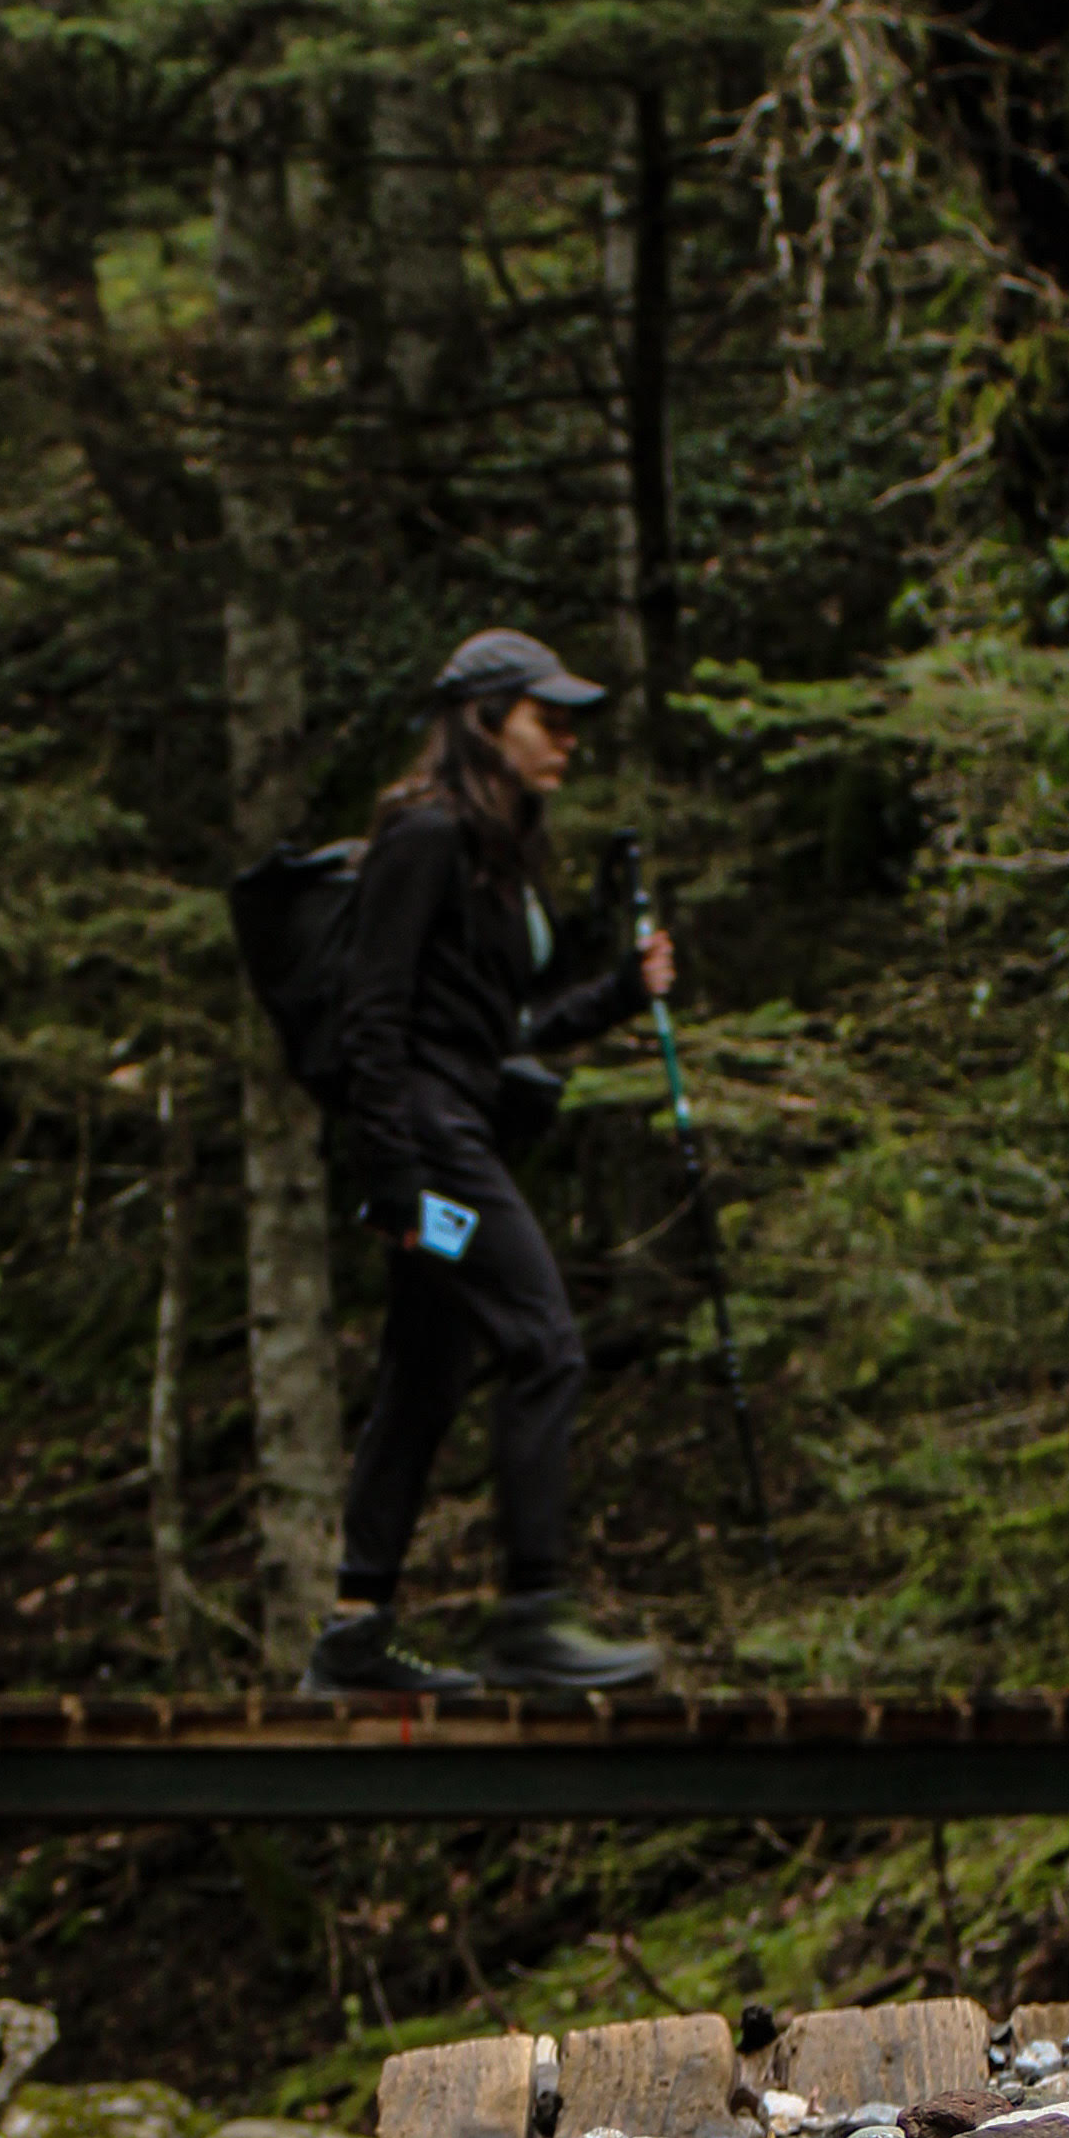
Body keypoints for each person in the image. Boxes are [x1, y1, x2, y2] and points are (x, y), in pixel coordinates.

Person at [303, 628, 677, 1702]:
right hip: (429, 1153)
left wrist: (617, 994)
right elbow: (373, 1024)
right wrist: (399, 1186)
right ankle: (532, 1616)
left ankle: (354, 1632)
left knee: (426, 1373)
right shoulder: (421, 838)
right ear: (484, 721)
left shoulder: (490, 856)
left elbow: (498, 1028)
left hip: (444, 1142)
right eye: (545, 717)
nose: (566, 738)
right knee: (545, 1342)